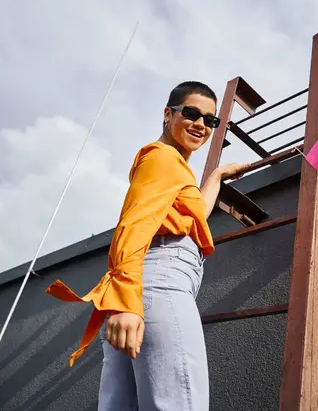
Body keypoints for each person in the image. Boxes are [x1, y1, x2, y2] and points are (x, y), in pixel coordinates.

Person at [46, 81, 249, 411]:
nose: (201, 125)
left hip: (143, 287)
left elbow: (194, 212)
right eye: (192, 113)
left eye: (210, 121)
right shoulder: (164, 159)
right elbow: (134, 224)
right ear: (168, 114)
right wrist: (128, 302)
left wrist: (217, 176)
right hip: (156, 286)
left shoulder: (168, 166)